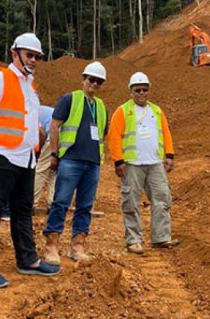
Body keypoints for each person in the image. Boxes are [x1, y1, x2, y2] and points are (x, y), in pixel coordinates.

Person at [0, 33, 60, 288]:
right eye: (29, 55)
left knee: (22, 210)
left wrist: (35, 141)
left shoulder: (30, 85)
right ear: (14, 53)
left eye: (37, 56)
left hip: (25, 158)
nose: (34, 60)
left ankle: (27, 260)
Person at [43, 61, 108, 264]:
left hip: (92, 163)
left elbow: (102, 135)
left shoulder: (101, 106)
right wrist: (54, 153)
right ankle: (52, 246)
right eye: (91, 79)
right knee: (60, 202)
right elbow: (54, 126)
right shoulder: (69, 99)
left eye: (99, 81)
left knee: (85, 205)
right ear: (83, 79)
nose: (94, 83)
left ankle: (77, 245)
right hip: (71, 159)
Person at [108, 72, 179, 254]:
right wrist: (118, 160)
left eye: (144, 90)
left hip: (155, 163)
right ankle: (133, 240)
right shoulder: (123, 111)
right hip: (132, 164)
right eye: (137, 90)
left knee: (162, 199)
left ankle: (161, 237)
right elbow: (114, 136)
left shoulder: (156, 111)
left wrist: (169, 155)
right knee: (131, 201)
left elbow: (166, 132)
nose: (141, 93)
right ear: (131, 91)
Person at [32, 105, 55, 213]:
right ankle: (52, 204)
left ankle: (31, 203)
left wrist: (37, 154)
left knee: (40, 171)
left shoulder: (29, 111)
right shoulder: (41, 110)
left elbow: (41, 134)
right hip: (64, 138)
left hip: (52, 138)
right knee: (53, 172)